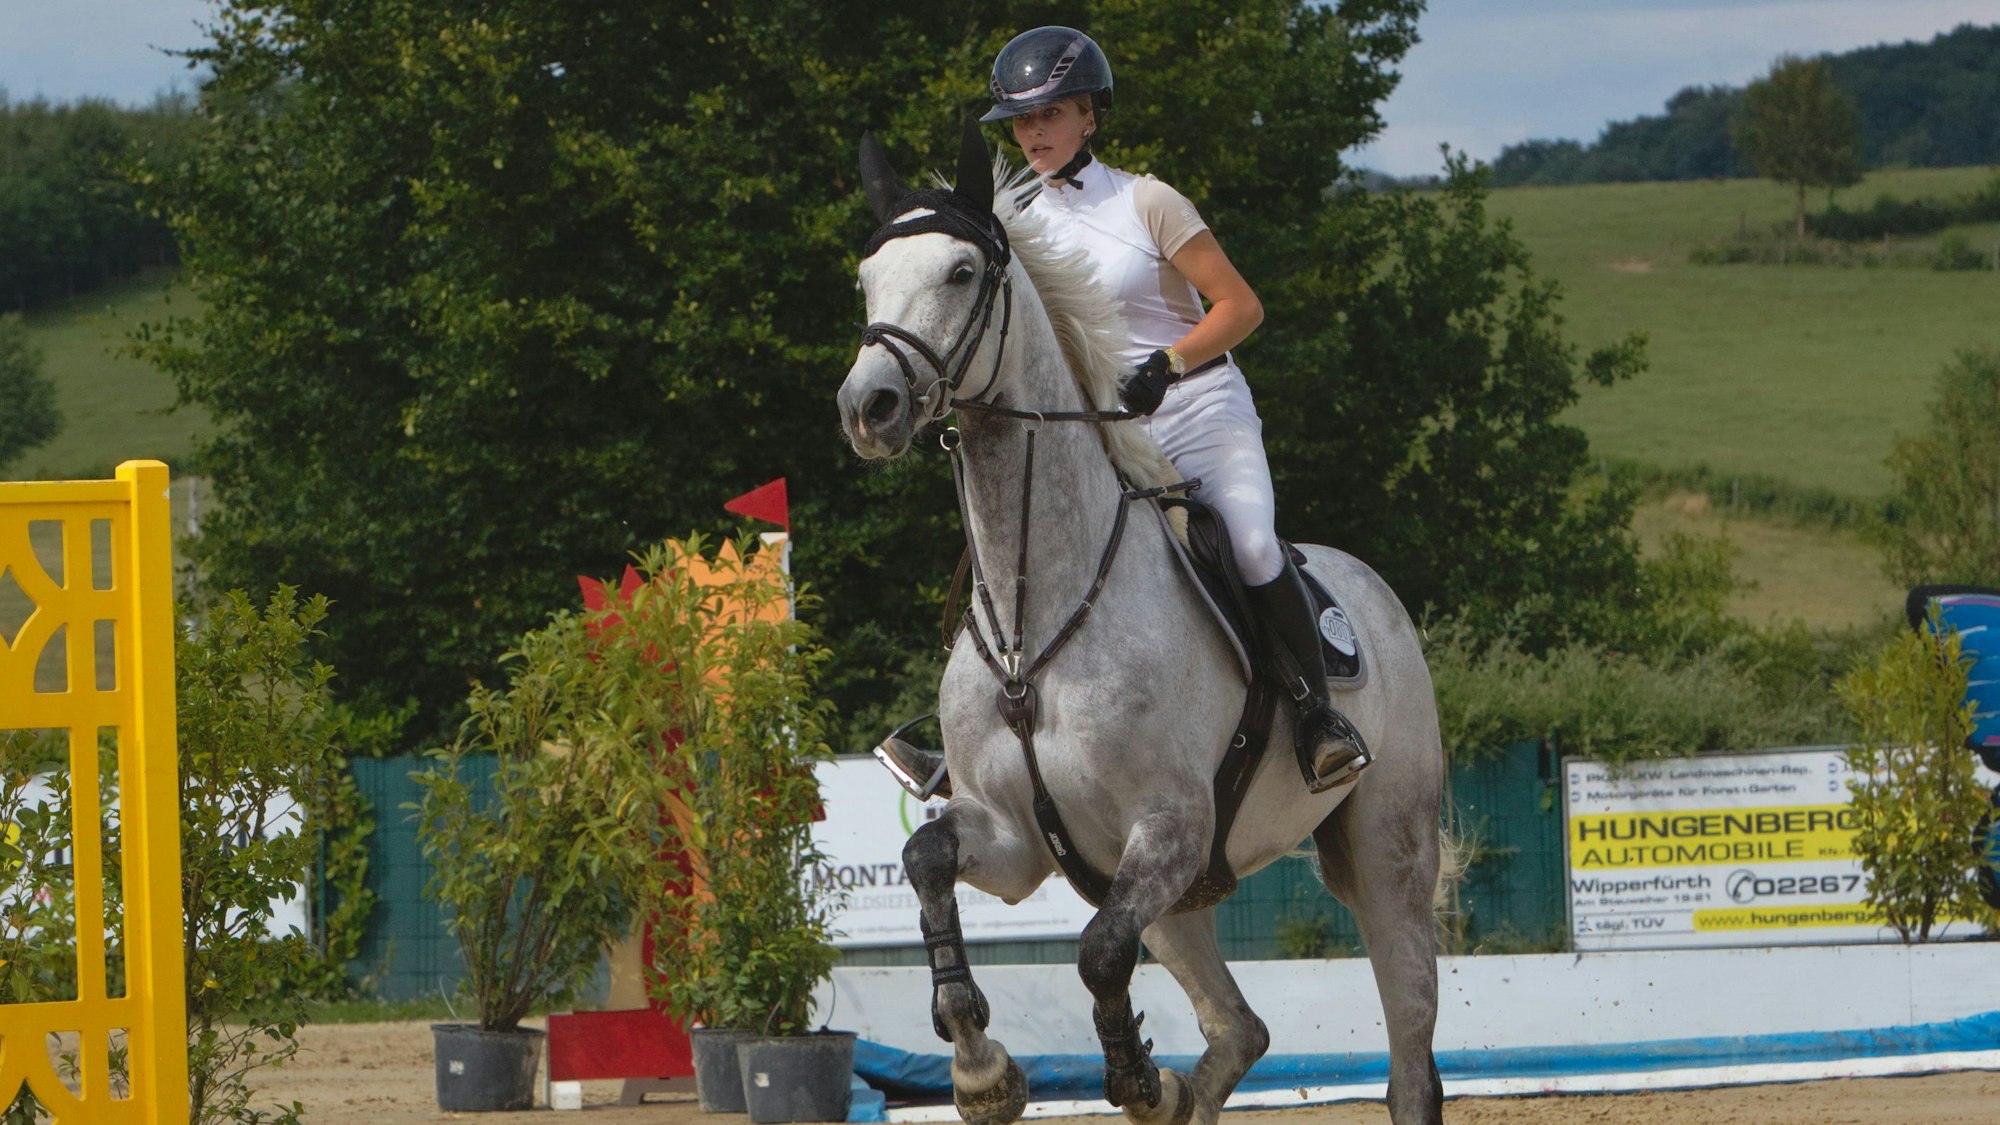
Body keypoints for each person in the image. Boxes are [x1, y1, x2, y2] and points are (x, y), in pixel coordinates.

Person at [876, 26, 1369, 800]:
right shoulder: (1016, 221)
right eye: (1022, 121)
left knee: (1247, 543)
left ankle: (1317, 718)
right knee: (1004, 556)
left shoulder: (1148, 202)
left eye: (1050, 114)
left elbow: (1242, 306)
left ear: (1089, 118)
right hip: (1101, 427)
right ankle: (962, 742)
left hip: (1198, 409)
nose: (1033, 133)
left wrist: (1169, 363)